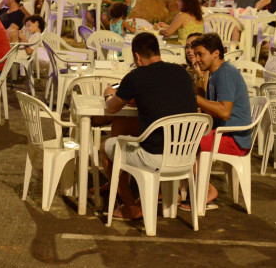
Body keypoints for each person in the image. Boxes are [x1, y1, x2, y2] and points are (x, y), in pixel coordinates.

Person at [100, 32, 197, 220]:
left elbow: (112, 108)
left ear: (137, 56)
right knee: (128, 130)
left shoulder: (136, 76)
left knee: (106, 147)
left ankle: (130, 207)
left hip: (155, 157)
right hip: (186, 154)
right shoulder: (182, 73)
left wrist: (108, 94)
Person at [191, 33, 253, 205]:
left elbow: (224, 112)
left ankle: (207, 190)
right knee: (182, 138)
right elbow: (205, 106)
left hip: (234, 139)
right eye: (195, 55)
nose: (196, 59)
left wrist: (194, 98)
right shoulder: (213, 73)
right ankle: (188, 191)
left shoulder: (225, 74)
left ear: (216, 54)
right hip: (222, 132)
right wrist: (199, 77)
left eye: (200, 54)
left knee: (186, 145)